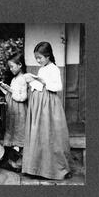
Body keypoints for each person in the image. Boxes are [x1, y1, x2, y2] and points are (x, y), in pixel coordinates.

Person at [21, 42, 72, 180]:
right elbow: (39, 84)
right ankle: (36, 168)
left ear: (48, 56)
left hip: (48, 104)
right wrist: (31, 81)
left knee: (48, 134)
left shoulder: (53, 68)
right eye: (36, 58)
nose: (38, 60)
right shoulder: (42, 68)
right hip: (38, 103)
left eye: (40, 58)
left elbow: (58, 87)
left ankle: (51, 169)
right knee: (38, 133)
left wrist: (42, 81)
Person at [0, 53, 28, 171]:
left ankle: (22, 163)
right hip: (12, 111)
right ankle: (13, 162)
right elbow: (10, 94)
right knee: (13, 134)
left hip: (20, 111)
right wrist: (3, 87)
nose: (10, 69)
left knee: (20, 136)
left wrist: (10, 90)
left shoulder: (24, 78)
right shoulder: (14, 79)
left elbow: (22, 97)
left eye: (12, 66)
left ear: (20, 65)